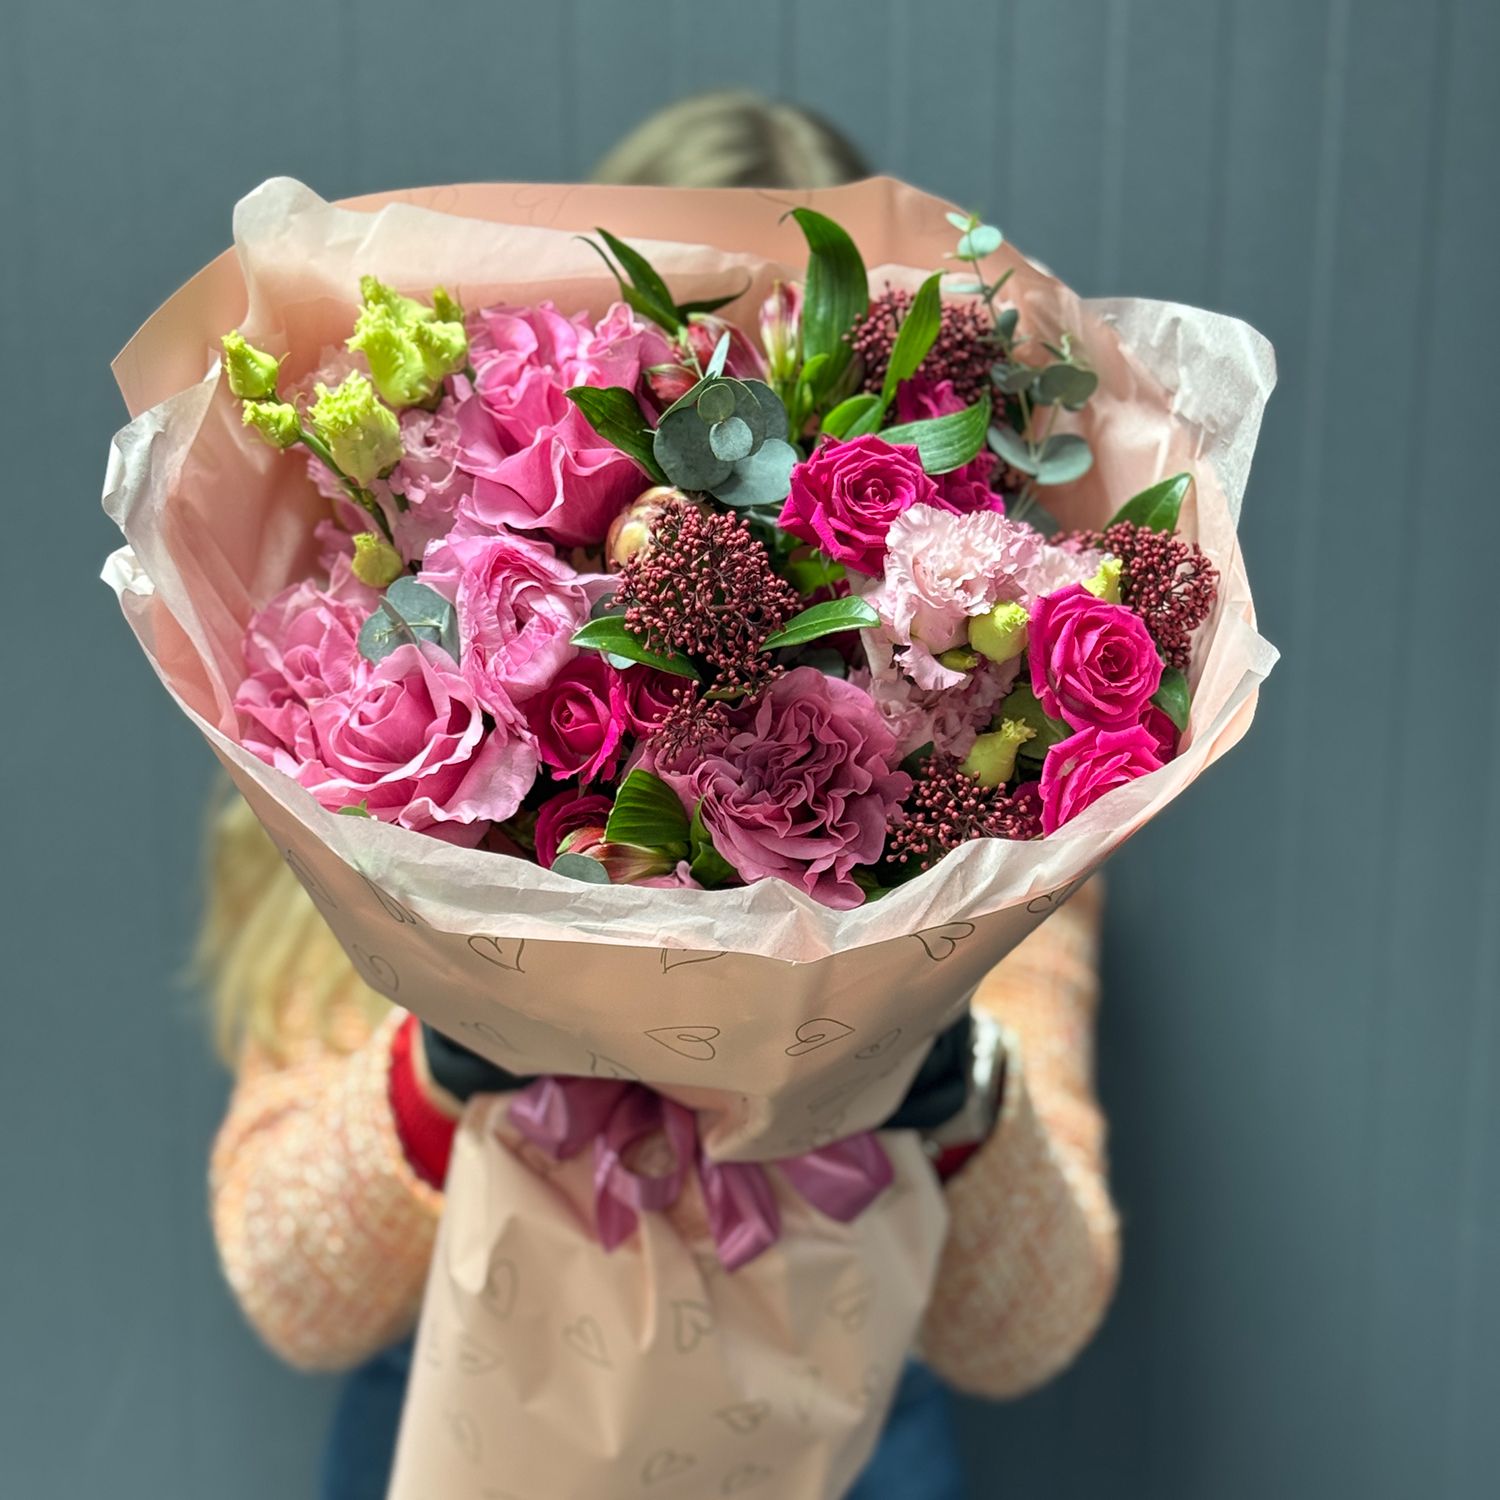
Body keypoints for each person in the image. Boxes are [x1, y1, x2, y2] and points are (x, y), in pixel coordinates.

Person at [201, 93, 1120, 1500]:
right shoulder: (372, 760)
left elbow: (1027, 1331)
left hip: (844, 1431)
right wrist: (457, 1052)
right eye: (697, 405)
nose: (740, 468)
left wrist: (944, 1078)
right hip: (470, 1413)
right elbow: (290, 1292)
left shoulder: (1000, 808)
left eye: (791, 413)